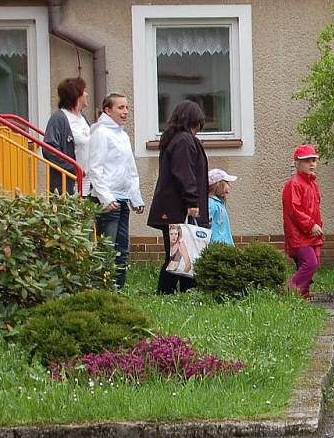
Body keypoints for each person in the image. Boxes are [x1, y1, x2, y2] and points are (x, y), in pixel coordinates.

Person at [147, 100, 208, 294]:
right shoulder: (184, 140)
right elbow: (185, 173)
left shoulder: (175, 139)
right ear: (195, 121)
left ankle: (184, 291)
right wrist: (192, 201)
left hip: (172, 210)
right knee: (178, 255)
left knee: (182, 253)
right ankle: (166, 293)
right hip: (178, 210)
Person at [88, 93, 144, 289]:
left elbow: (130, 170)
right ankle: (103, 290)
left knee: (123, 249)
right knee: (107, 249)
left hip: (122, 199)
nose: (125, 112)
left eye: (126, 108)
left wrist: (136, 198)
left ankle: (118, 290)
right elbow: (95, 169)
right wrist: (106, 198)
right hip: (107, 201)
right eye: (120, 108)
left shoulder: (123, 135)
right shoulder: (100, 133)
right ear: (107, 110)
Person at [282, 145, 324, 299]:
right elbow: (294, 210)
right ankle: (289, 290)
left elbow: (314, 208)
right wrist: (310, 224)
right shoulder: (294, 184)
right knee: (309, 264)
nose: (312, 164)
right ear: (297, 163)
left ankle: (302, 297)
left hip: (311, 234)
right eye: (307, 161)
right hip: (299, 235)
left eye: (313, 160)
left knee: (308, 266)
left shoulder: (312, 183)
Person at [43, 77, 90, 195]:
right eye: (84, 91)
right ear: (76, 95)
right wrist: (73, 168)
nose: (87, 94)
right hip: (68, 185)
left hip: (87, 185)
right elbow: (49, 149)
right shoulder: (59, 118)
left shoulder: (83, 118)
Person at [207, 168, 237, 246]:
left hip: (224, 244)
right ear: (218, 185)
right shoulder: (211, 203)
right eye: (226, 182)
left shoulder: (219, 203)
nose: (229, 186)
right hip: (216, 245)